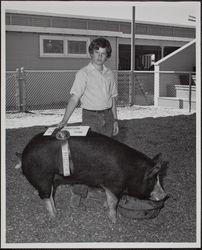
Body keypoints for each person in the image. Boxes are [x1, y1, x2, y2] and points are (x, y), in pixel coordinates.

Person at [57, 37, 119, 207]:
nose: (100, 57)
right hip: (90, 118)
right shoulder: (83, 73)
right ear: (91, 53)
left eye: (103, 54)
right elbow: (74, 98)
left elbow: (113, 99)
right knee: (86, 157)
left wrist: (115, 120)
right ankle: (78, 192)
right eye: (97, 53)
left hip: (107, 117)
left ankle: (105, 193)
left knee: (106, 157)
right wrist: (64, 120)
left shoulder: (109, 73)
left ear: (107, 56)